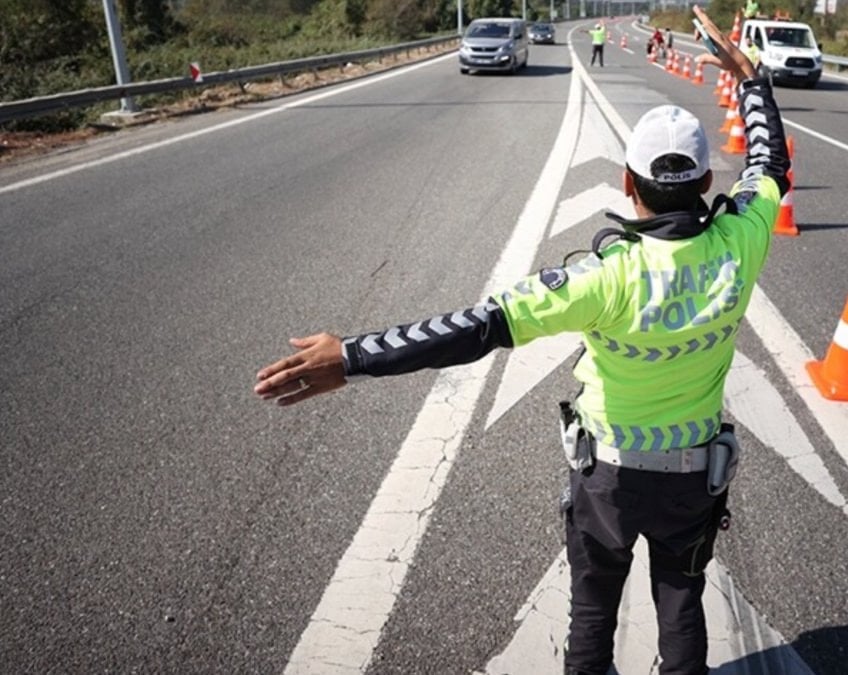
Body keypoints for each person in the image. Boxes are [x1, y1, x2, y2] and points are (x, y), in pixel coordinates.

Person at [253, 6, 789, 675]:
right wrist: (752, 81)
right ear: (708, 183)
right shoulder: (743, 240)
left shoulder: (601, 278)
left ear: (628, 183)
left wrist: (352, 356)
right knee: (682, 599)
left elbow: (471, 328)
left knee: (593, 615)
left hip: (610, 478)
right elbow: (770, 163)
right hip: (693, 477)